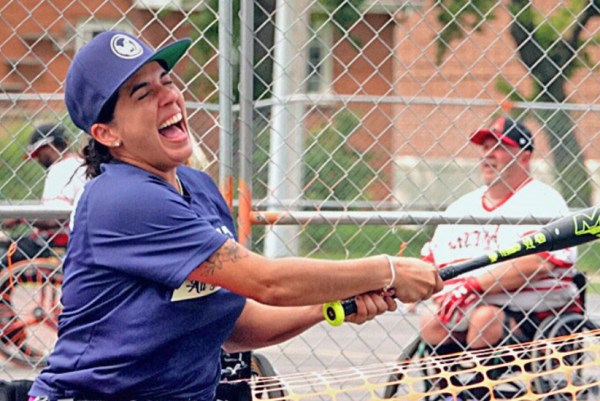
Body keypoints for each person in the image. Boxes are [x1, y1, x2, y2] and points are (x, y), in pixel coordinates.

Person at [28, 31, 442, 401]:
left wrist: (333, 304)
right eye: (143, 93)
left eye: (166, 80)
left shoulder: (199, 189)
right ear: (107, 134)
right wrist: (388, 269)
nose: (169, 96)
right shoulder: (123, 198)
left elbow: (238, 326)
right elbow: (268, 282)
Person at [418, 117, 578, 352]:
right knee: (431, 319)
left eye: (500, 147)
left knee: (485, 319)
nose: (488, 154)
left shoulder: (543, 200)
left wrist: (473, 286)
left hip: (531, 314)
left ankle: (478, 389)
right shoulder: (463, 207)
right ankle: (450, 388)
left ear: (525, 157)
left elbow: (538, 262)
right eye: (485, 147)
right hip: (465, 307)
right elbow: (431, 261)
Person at [1, 123, 86, 265]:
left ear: (54, 145)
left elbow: (54, 218)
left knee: (4, 250)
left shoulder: (61, 169)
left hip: (56, 244)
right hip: (71, 241)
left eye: (40, 152)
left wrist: (20, 217)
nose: (38, 159)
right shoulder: (79, 163)